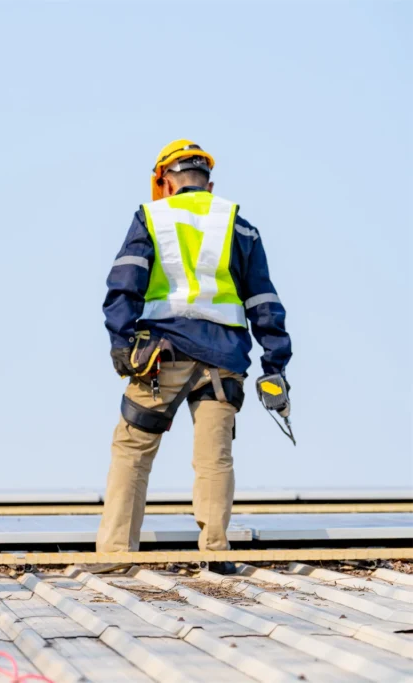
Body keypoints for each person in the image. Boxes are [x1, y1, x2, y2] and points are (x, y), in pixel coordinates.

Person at [97, 140, 292, 570]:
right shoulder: (238, 226)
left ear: (165, 181)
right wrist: (274, 364)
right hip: (224, 359)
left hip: (160, 356)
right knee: (214, 458)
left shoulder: (151, 217)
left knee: (132, 449)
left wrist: (121, 343)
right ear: (209, 183)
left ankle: (114, 555)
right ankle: (216, 553)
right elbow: (263, 301)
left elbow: (124, 285)